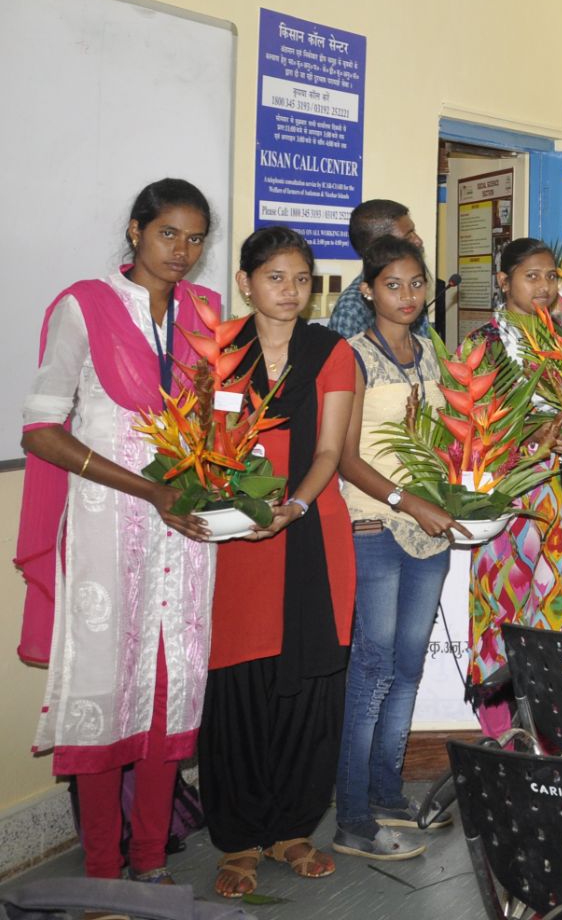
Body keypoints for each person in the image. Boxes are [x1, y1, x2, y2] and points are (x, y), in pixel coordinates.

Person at [20, 179, 219, 886]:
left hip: (184, 531)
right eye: (168, 233)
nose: (182, 251)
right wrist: (150, 491)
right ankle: (104, 870)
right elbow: (41, 431)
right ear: (136, 231)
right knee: (105, 692)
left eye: (195, 238)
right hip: (109, 525)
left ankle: (151, 860)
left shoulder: (206, 311)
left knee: (171, 687)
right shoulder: (85, 305)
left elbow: (215, 416)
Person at [200, 228, 357, 899]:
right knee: (237, 683)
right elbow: (200, 444)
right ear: (245, 282)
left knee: (309, 685)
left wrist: (292, 505)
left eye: (301, 279)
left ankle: (292, 829)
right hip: (235, 537)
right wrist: (226, 505)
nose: (290, 291)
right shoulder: (217, 350)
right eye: (275, 277)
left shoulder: (331, 352)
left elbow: (329, 452)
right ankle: (239, 839)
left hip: (310, 529)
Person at [332, 236, 468, 862]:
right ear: (368, 291)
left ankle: (387, 794)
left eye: (417, 283)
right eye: (393, 285)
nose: (408, 296)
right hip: (375, 526)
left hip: (428, 528)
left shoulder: (433, 352)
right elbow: (344, 456)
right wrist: (407, 501)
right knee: (373, 671)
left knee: (409, 668)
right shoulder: (352, 356)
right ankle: (352, 818)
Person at [465, 238, 562, 734]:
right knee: (505, 606)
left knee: (561, 606)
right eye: (531, 276)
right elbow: (470, 424)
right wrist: (527, 432)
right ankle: (502, 734)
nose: (543, 286)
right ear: (504, 281)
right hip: (509, 495)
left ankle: (554, 730)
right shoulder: (482, 343)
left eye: (550, 276)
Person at [326, 200, 425, 338]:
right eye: (408, 236)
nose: (418, 241)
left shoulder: (412, 288)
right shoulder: (350, 311)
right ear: (378, 247)